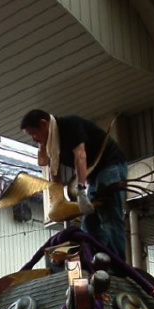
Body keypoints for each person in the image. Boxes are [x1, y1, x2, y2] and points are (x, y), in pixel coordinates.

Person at [21, 109, 128, 260]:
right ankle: (101, 260)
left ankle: (118, 263)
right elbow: (54, 173)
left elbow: (80, 156)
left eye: (33, 133)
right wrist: (57, 202)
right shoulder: (51, 146)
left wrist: (81, 191)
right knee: (89, 224)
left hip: (111, 165)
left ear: (43, 124)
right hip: (94, 174)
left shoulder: (70, 125)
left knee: (109, 215)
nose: (33, 139)